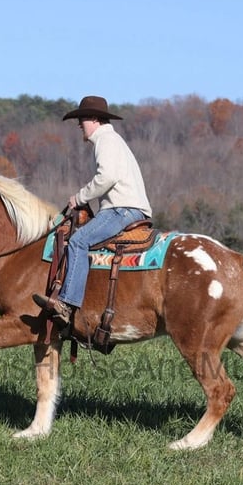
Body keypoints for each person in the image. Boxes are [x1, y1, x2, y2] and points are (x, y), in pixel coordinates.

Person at [33, 95, 152, 326]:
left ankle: (67, 304)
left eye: (83, 119)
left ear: (95, 120)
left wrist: (80, 197)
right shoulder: (113, 140)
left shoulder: (105, 140)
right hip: (128, 207)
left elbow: (106, 177)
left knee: (78, 241)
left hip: (121, 209)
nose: (80, 125)